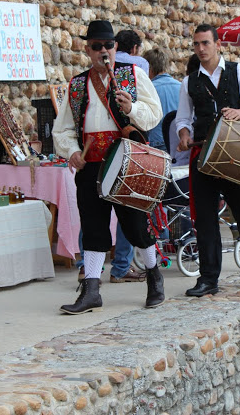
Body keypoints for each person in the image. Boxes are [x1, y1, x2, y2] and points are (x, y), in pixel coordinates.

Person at [52, 20, 164, 314]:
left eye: (108, 45)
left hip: (127, 162)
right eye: (97, 46)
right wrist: (73, 151)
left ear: (115, 47)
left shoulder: (133, 75)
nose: (104, 51)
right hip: (91, 165)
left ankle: (154, 277)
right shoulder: (77, 85)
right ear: (87, 50)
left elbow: (154, 115)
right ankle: (91, 290)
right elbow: (61, 129)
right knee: (93, 226)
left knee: (136, 225)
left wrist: (132, 109)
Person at [175, 24, 240, 296]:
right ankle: (208, 278)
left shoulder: (238, 72)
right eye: (196, 44)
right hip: (203, 154)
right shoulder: (188, 82)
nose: (201, 49)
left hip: (236, 153)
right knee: (204, 219)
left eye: (205, 43)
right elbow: (183, 118)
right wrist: (183, 133)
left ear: (217, 44)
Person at [143, 48, 181, 151]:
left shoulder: (148, 89)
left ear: (149, 68)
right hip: (178, 141)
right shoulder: (181, 87)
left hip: (156, 143)